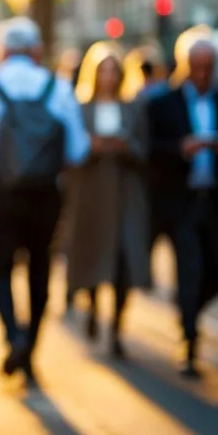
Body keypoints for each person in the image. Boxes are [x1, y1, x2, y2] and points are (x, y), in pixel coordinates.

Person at [0, 16, 90, 387]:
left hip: (0, 195)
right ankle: (31, 347)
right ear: (37, 51)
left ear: (0, 51)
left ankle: (14, 336)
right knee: (41, 265)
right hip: (46, 194)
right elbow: (78, 151)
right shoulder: (58, 88)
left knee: (1, 268)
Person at [145, 36, 218, 377]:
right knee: (189, 268)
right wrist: (180, 149)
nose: (203, 74)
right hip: (182, 202)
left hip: (217, 201)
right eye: (197, 67)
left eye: (208, 67)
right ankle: (189, 341)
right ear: (185, 67)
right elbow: (151, 150)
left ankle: (189, 310)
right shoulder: (163, 104)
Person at [62, 42, 152, 358]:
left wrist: (125, 147)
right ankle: (91, 305)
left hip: (125, 193)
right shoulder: (81, 107)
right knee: (92, 253)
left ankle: (116, 327)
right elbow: (71, 153)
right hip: (92, 193)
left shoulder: (132, 108)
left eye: (114, 71)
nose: (109, 77)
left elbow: (144, 149)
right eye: (104, 71)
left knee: (124, 259)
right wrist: (92, 148)